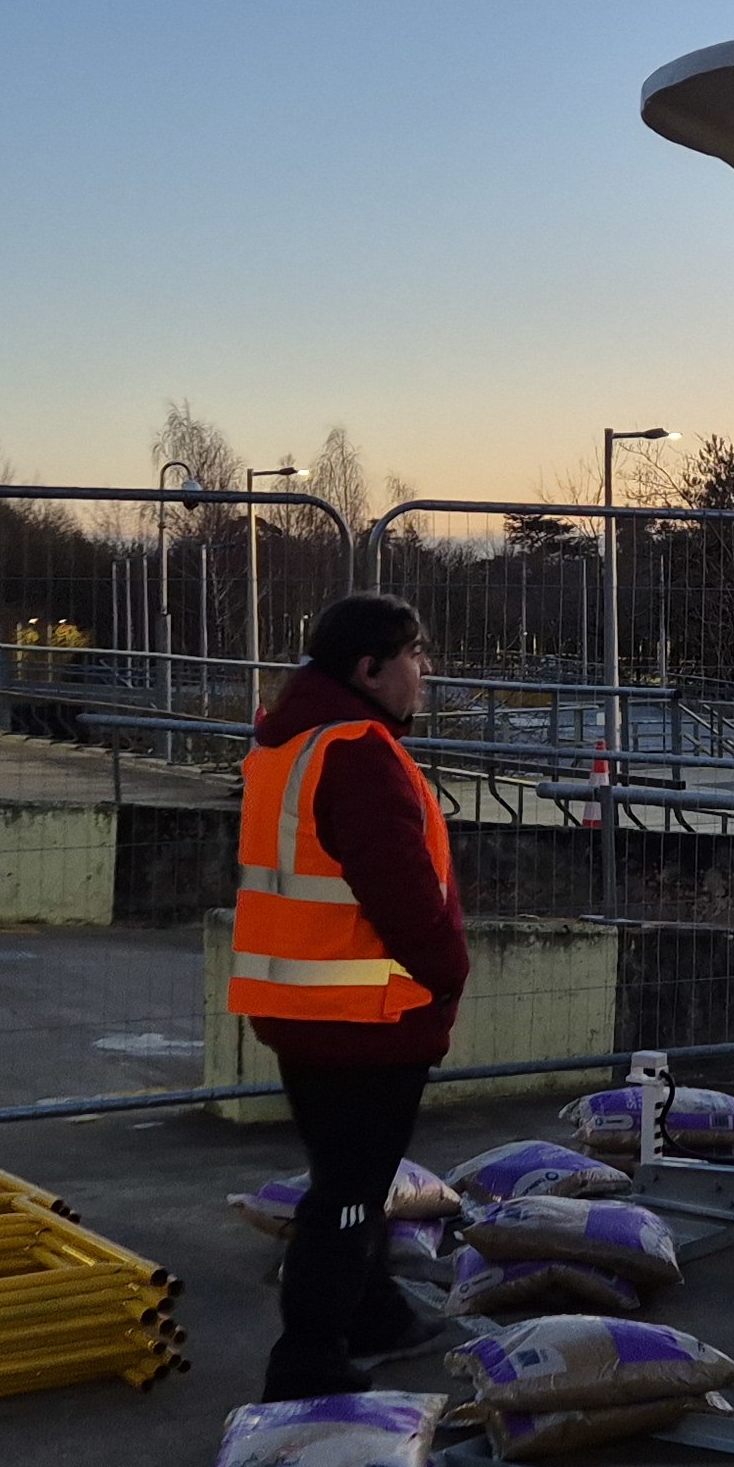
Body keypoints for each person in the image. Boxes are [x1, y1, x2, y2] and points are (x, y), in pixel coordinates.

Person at [231, 591, 465, 1398]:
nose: (424, 670)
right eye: (413, 655)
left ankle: (373, 1313)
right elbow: (402, 894)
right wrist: (448, 972)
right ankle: (308, 1359)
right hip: (364, 1015)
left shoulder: (290, 742)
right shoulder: (358, 753)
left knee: (347, 1172)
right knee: (350, 1192)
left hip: (299, 1005)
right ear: (369, 670)